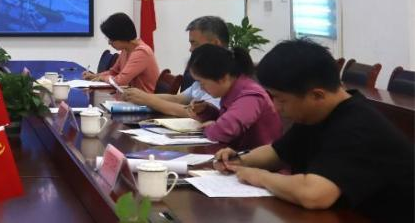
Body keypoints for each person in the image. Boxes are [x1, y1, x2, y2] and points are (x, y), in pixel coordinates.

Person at [214, 39, 414, 221]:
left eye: (280, 99)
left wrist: (260, 177)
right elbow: (277, 152)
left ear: (317, 95)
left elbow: (314, 195)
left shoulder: (359, 126)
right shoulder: (316, 114)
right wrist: (239, 160)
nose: (275, 107)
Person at [121, 16, 227, 115]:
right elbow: (179, 99)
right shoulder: (207, 71)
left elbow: (199, 114)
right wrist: (140, 96)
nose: (191, 49)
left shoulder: (224, 75)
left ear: (215, 44)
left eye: (195, 43)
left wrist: (148, 100)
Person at [187, 44, 281, 149]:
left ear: (223, 78)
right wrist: (206, 111)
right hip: (241, 154)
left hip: (260, 158)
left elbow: (225, 131)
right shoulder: (232, 90)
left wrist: (207, 128)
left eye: (202, 82)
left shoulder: (250, 96)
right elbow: (226, 119)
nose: (201, 88)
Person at [81, 12, 159, 92]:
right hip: (131, 96)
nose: (109, 43)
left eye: (111, 39)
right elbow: (114, 72)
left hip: (145, 98)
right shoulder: (126, 49)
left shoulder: (142, 52)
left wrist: (102, 78)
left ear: (122, 36)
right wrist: (95, 76)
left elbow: (120, 81)